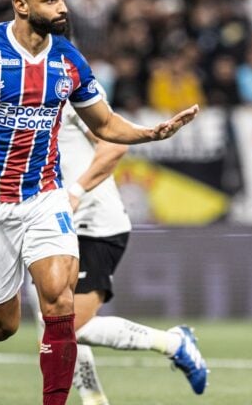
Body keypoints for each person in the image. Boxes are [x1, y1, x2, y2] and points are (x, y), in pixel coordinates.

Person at [0, 0, 201, 405]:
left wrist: (150, 133)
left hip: (44, 194)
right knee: (0, 328)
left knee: (59, 304)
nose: (63, 7)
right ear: (21, 6)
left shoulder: (68, 59)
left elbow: (104, 123)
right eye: (51, 0)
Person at [35, 103, 208, 404]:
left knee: (69, 324)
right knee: (52, 322)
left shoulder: (71, 92)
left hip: (95, 225)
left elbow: (115, 146)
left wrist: (76, 191)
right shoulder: (22, 97)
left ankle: (174, 344)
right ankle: (94, 399)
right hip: (56, 224)